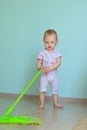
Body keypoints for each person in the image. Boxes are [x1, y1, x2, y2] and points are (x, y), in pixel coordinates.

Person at [37, 29, 64, 110]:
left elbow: (58, 63)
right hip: (44, 75)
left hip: (53, 75)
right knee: (42, 90)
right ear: (43, 41)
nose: (49, 44)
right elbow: (38, 63)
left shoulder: (57, 53)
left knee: (55, 90)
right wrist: (41, 67)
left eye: (52, 42)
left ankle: (55, 103)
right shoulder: (42, 52)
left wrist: (50, 68)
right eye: (47, 42)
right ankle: (42, 104)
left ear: (56, 42)